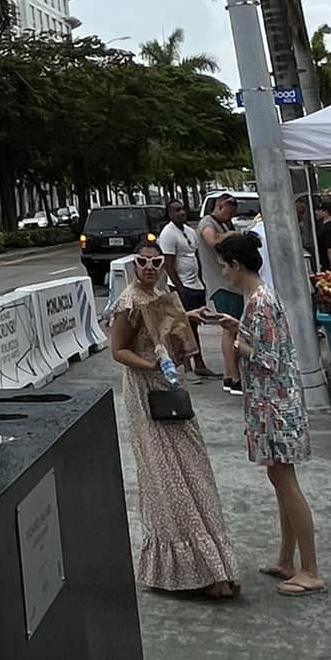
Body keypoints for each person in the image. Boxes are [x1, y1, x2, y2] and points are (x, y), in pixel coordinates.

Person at [109, 245, 239, 600]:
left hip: (170, 388)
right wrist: (150, 365)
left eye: (155, 262)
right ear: (134, 264)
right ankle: (197, 568)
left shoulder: (160, 295)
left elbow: (166, 330)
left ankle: (214, 564)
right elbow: (118, 350)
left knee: (193, 470)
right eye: (142, 262)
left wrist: (188, 317)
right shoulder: (128, 302)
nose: (149, 267)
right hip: (146, 393)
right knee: (166, 475)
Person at [216, 229, 324, 596]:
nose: (223, 273)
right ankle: (286, 559)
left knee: (286, 482)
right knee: (280, 480)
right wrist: (239, 330)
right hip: (272, 403)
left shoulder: (259, 301)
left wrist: (237, 345)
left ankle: (310, 569)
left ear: (236, 265)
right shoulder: (258, 298)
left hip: (274, 406)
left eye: (224, 266)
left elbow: (267, 359)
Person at [157, 202, 215, 378]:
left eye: (183, 209)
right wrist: (179, 288)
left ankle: (199, 363)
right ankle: (187, 366)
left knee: (195, 326)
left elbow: (195, 255)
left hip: (195, 284)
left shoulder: (190, 231)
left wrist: (202, 281)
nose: (182, 213)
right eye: (177, 210)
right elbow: (168, 264)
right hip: (182, 286)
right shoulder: (168, 233)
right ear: (169, 214)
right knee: (183, 327)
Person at [198, 194, 243, 394]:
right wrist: (231, 236)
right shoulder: (208, 223)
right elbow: (212, 240)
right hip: (222, 285)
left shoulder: (224, 223)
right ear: (221, 206)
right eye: (229, 211)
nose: (231, 215)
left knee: (234, 329)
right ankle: (233, 376)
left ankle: (229, 374)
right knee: (229, 329)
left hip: (231, 285)